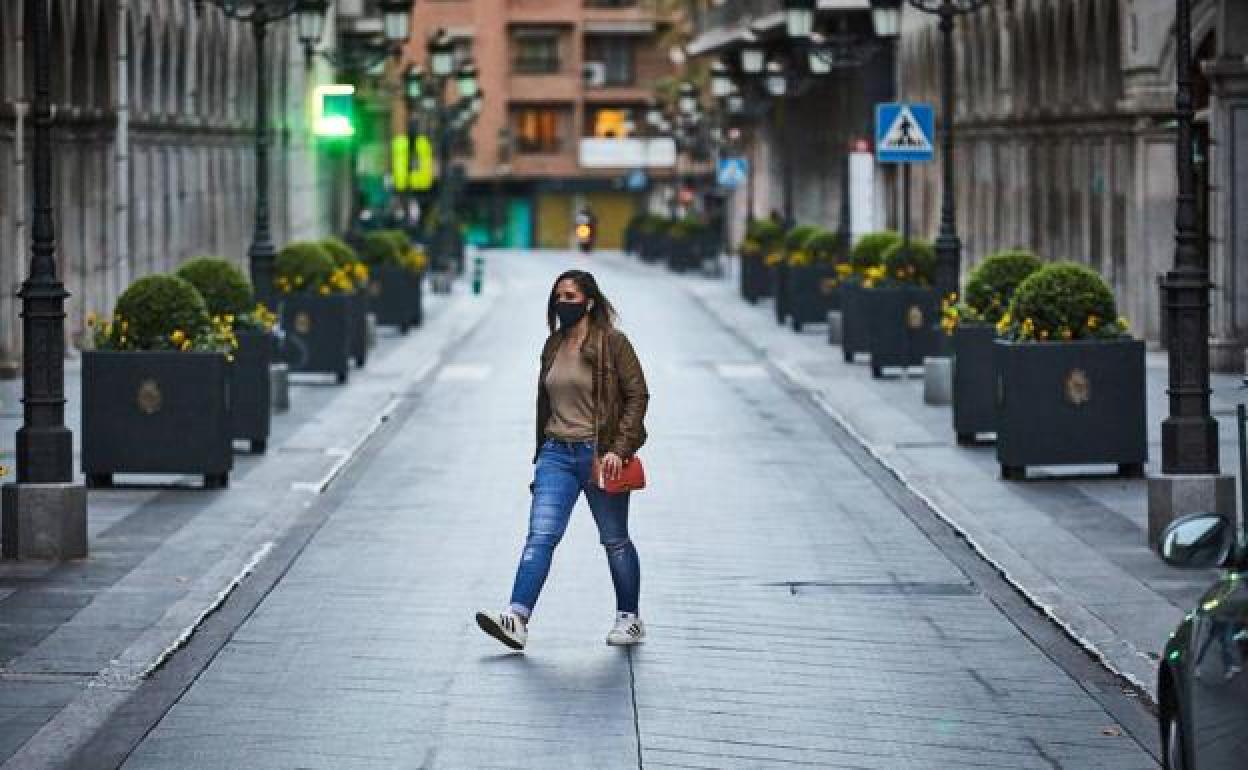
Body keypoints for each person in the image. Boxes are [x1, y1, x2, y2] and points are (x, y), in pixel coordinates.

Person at [476, 270, 650, 651]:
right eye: (558, 296)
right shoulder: (552, 345)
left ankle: (629, 617)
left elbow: (637, 396)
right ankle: (517, 619)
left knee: (615, 539)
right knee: (540, 536)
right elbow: (545, 402)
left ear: (588, 302)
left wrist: (618, 451)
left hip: (599, 455)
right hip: (556, 453)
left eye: (570, 296)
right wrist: (541, 454)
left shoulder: (613, 344)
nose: (562, 303)